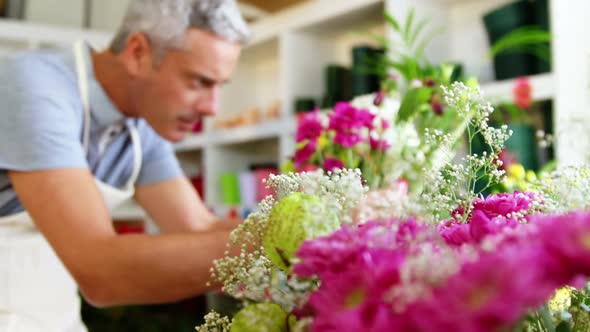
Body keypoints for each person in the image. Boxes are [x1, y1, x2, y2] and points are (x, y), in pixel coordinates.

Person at [0, 0, 251, 330]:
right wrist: (284, 243)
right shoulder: (34, 88)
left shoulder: (140, 124)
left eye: (219, 86)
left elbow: (196, 228)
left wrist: (317, 228)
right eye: (199, 82)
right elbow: (101, 272)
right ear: (137, 53)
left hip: (53, 317)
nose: (212, 108)